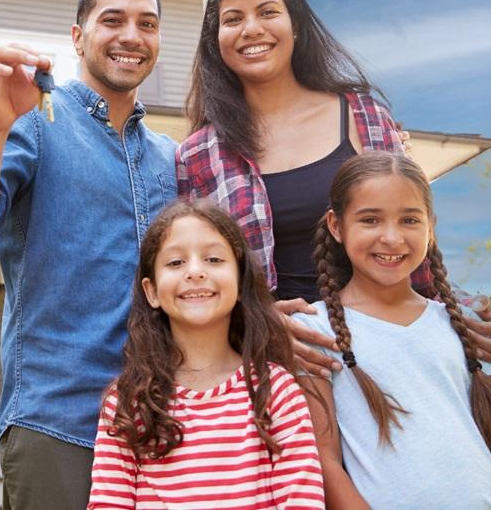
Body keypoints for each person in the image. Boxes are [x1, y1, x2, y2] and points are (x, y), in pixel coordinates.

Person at [177, 0, 491, 377]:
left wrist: (470, 318)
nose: (251, 29)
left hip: (386, 351)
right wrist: (257, 325)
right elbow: (196, 277)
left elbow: (411, 242)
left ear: (295, 24)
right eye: (233, 19)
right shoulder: (198, 155)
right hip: (279, 366)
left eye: (267, 12)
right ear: (216, 40)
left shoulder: (365, 116)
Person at [0, 0, 177, 509]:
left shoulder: (169, 156)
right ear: (77, 36)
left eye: (147, 23)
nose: (131, 35)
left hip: (164, 423)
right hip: (59, 422)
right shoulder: (35, 121)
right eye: (112, 20)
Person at [293, 151, 491, 509]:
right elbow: (325, 463)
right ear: (337, 226)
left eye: (410, 220)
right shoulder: (313, 331)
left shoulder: (463, 323)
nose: (392, 238)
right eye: (370, 220)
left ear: (431, 226)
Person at [89, 199, 325, 509]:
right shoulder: (127, 400)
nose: (196, 272)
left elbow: (302, 502)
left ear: (240, 282)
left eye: (213, 259)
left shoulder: (276, 390)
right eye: (175, 263)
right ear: (151, 291)